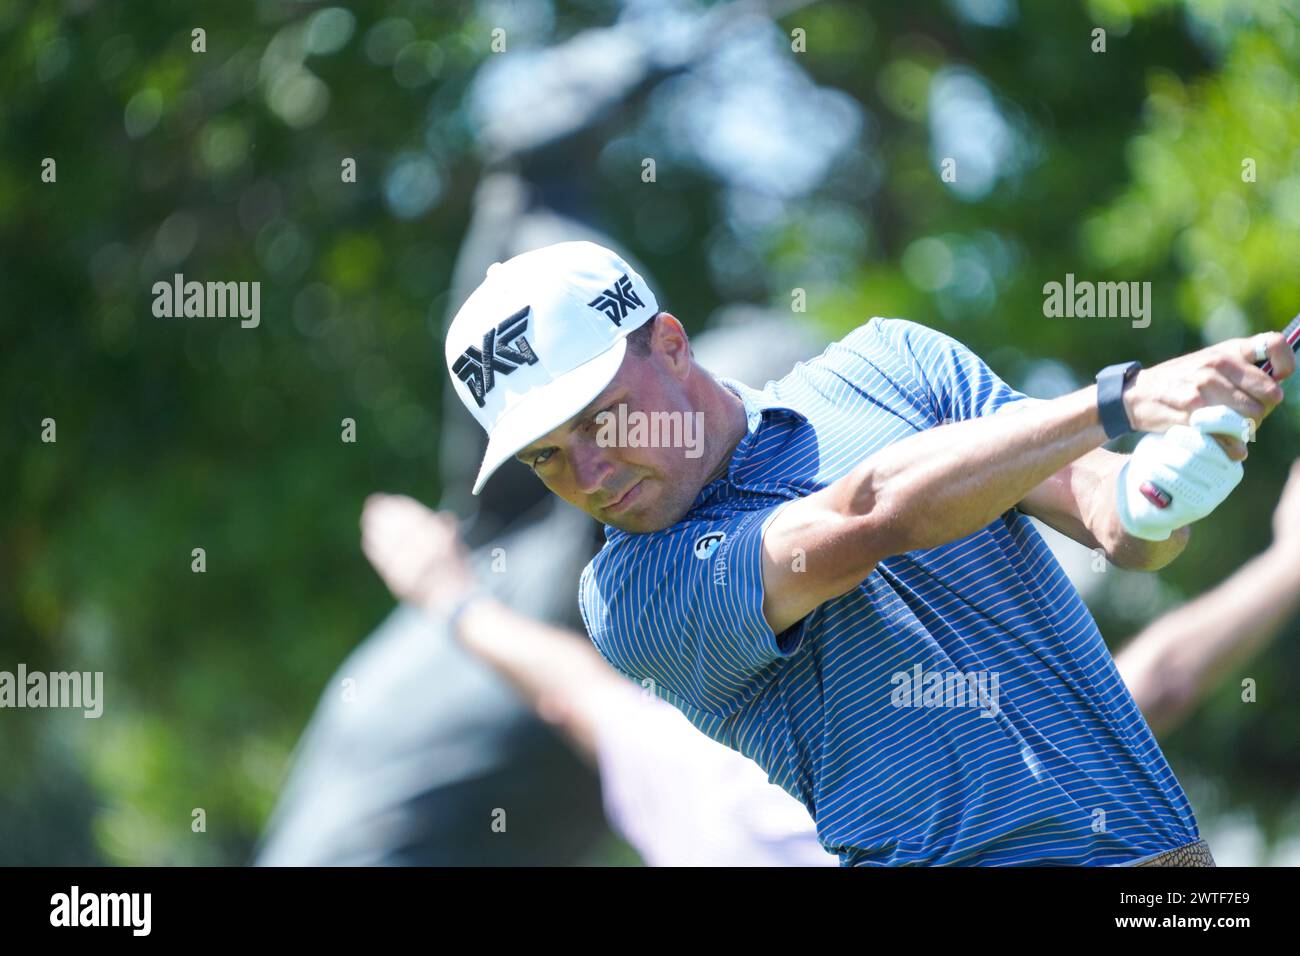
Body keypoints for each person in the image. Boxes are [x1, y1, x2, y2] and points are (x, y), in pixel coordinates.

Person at [441, 239, 1296, 866]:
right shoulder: (629, 594)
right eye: (546, 455)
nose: (588, 473)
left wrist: (1179, 471)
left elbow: (1121, 527)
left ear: (669, 344)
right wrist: (1130, 397)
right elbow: (872, 516)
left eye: (601, 417)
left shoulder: (891, 365)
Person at [358, 459, 1300, 866]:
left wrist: (446, 595)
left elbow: (568, 690)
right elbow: (1154, 684)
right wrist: (1286, 567)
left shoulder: (683, 757)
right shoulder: (933, 756)